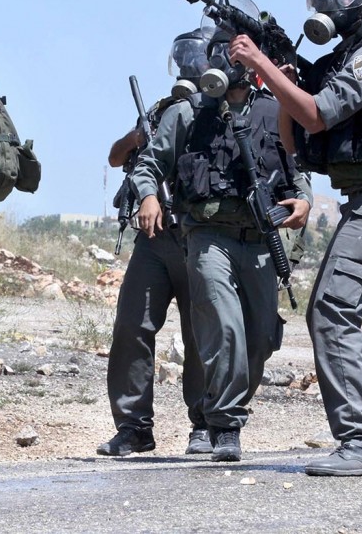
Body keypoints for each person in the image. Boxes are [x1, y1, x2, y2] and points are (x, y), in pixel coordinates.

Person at [230, 0, 362, 476]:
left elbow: (319, 115)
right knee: (333, 311)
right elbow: (298, 138)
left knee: (332, 311)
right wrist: (280, 83)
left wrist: (262, 65)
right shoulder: (343, 59)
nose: (332, 1)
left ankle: (361, 443)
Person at [132, 17, 311, 462]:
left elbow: (299, 170)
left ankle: (219, 408)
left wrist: (304, 202)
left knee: (262, 338)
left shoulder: (275, 110)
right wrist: (149, 196)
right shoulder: (188, 113)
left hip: (260, 240)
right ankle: (224, 424)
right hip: (208, 237)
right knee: (225, 326)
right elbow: (147, 164)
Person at [97, 28, 212, 458]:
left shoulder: (219, 111)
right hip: (154, 237)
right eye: (182, 57)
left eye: (195, 57)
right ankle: (134, 428)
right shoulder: (166, 111)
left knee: (200, 335)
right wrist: (138, 140)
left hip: (200, 236)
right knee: (132, 326)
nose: (188, 65)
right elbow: (115, 156)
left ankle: (204, 423)